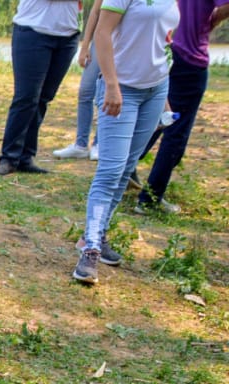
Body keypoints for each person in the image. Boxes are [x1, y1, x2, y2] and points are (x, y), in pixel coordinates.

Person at [71, 0, 179, 285]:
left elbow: (163, 40)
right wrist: (111, 85)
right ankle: (90, 251)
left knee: (125, 168)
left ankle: (96, 235)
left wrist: (164, 99)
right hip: (121, 89)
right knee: (110, 171)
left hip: (156, 89)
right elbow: (103, 32)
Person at [134, 0, 229, 214]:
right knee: (176, 132)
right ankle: (149, 199)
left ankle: (124, 171)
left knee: (157, 116)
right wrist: (214, 19)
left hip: (164, 49)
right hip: (191, 57)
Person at [0, 0, 81, 176]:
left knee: (43, 98)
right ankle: (9, 158)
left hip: (68, 35)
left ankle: (25, 157)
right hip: (33, 31)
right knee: (26, 98)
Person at [53, 0, 105, 161]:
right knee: (85, 91)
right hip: (99, 41)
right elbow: (95, 12)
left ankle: (99, 144)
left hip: (121, 44)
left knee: (104, 95)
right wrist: (85, 46)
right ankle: (81, 145)